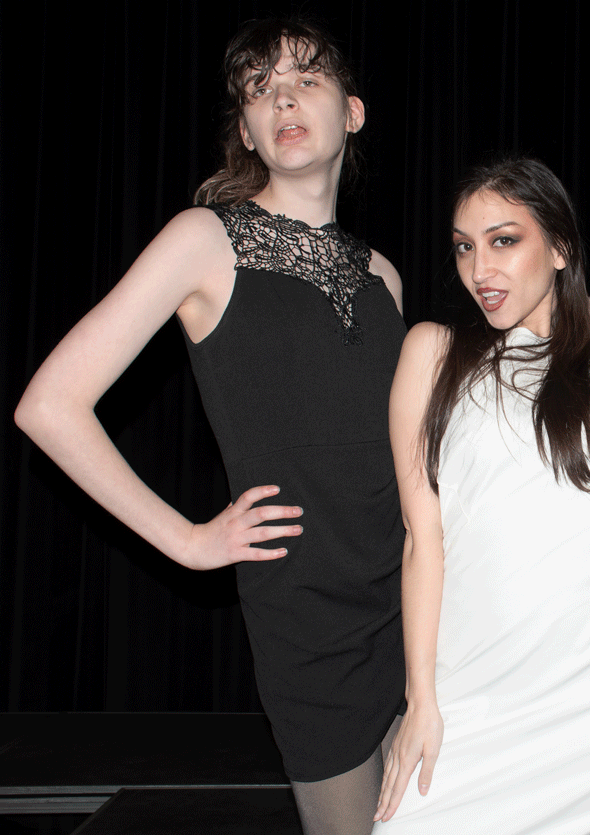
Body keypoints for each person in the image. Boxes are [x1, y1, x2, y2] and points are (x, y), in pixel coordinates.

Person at [15, 18, 407, 835]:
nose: (283, 98)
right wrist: (188, 540)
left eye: (305, 78)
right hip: (308, 618)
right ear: (246, 131)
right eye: (259, 90)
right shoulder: (205, 240)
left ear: (354, 111)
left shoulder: (384, 277)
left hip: (411, 606)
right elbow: (49, 405)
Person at [371, 158, 590, 833]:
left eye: (505, 240)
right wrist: (420, 695)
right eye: (464, 246)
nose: (481, 268)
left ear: (559, 247)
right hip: (474, 687)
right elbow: (424, 537)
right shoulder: (435, 352)